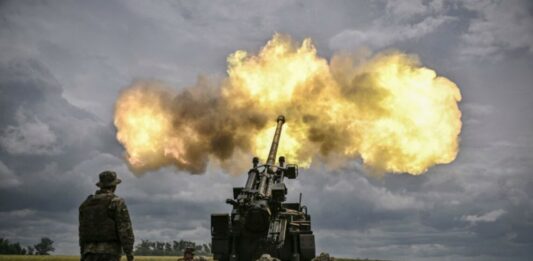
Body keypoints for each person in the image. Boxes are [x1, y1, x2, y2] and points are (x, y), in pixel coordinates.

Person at [79, 171, 135, 261]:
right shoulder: (117, 202)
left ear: (100, 185)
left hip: (88, 253)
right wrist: (129, 254)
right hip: (109, 253)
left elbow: (82, 232)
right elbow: (125, 230)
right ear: (114, 186)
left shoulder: (85, 204)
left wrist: (83, 253)